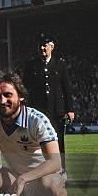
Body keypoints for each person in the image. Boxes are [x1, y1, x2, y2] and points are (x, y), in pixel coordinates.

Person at [21, 34, 74, 171]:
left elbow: (66, 87)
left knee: (59, 142)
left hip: (57, 110)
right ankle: (40, 172)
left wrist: (70, 109)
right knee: (37, 143)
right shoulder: (31, 65)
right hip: (38, 110)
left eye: (45, 45)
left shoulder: (60, 64)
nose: (42, 48)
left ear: (52, 47)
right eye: (40, 45)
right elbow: (24, 87)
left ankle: (61, 171)